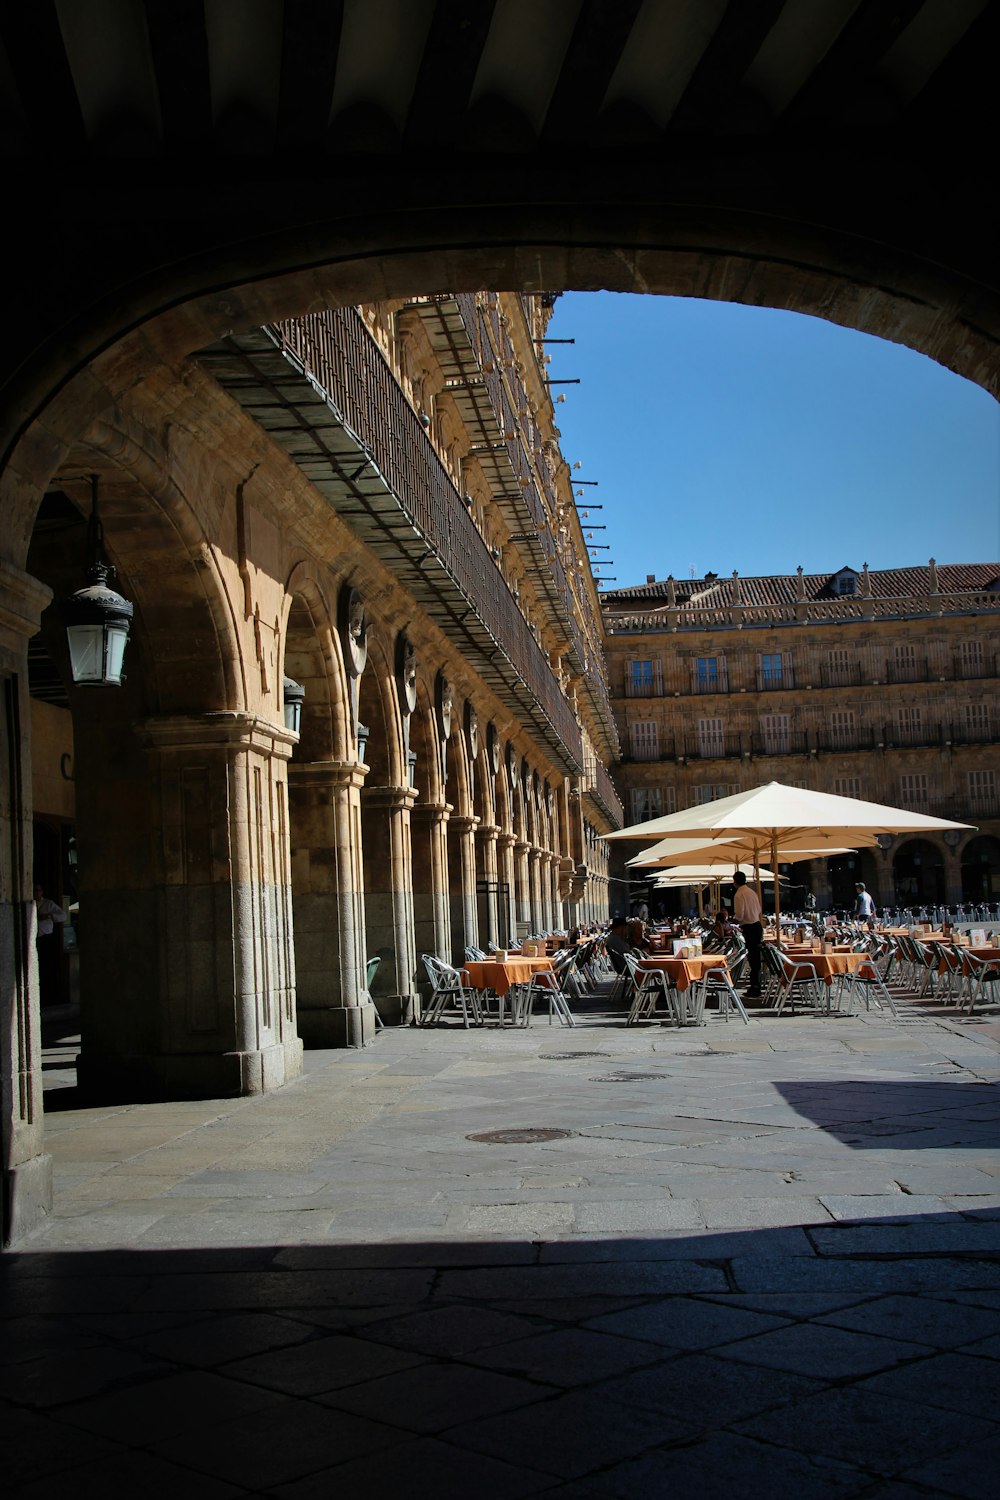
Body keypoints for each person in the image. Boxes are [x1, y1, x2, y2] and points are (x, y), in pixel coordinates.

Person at [33, 883, 67, 1006]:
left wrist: (49, 915)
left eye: (38, 890)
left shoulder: (48, 904)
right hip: (34, 940)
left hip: (46, 939)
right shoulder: (28, 904)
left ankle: (50, 996)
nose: (36, 893)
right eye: (34, 890)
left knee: (48, 967)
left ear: (42, 892)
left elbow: (63, 915)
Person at [732, 871, 763, 998]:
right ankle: (756, 985)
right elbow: (759, 909)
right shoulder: (752, 892)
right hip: (757, 925)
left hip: (749, 927)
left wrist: (733, 920)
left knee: (753, 958)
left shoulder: (739, 894)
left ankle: (755, 987)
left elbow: (740, 914)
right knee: (756, 958)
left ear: (735, 881)